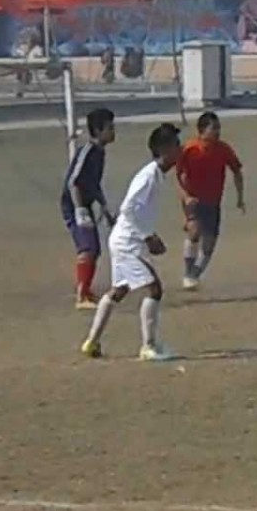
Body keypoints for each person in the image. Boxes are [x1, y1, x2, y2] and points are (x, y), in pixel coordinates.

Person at [80, 123, 184, 362]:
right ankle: (149, 346)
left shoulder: (157, 176)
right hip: (128, 242)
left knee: (119, 290)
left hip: (124, 238)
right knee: (154, 289)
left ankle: (91, 342)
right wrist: (147, 236)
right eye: (176, 145)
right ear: (164, 149)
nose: (180, 150)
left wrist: (149, 234)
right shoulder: (148, 176)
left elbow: (139, 212)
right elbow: (128, 209)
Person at [176, 111, 246, 291]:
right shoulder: (190, 149)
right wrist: (186, 197)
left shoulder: (223, 149)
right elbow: (178, 177)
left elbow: (237, 171)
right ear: (202, 130)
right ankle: (188, 274)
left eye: (218, 128)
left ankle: (195, 274)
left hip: (213, 202)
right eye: (213, 128)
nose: (217, 132)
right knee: (194, 232)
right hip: (194, 200)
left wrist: (240, 198)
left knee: (209, 245)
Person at [61, 108, 117, 310]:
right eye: (110, 128)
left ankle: (86, 290)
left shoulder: (100, 153)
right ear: (98, 130)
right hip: (74, 204)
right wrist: (79, 210)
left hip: (85, 204)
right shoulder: (88, 152)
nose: (113, 131)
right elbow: (73, 182)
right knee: (88, 248)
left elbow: (93, 184)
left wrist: (104, 207)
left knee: (94, 249)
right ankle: (81, 296)